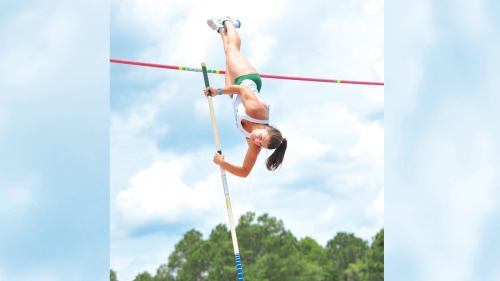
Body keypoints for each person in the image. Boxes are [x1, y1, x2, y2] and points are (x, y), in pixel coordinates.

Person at [203, 16, 287, 178]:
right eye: (261, 139)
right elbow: (243, 89)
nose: (256, 142)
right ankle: (229, 22)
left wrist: (222, 163)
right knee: (231, 51)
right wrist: (217, 91)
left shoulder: (255, 145)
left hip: (234, 94)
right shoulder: (257, 111)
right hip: (245, 80)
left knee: (228, 59)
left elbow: (244, 172)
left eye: (260, 144)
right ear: (265, 128)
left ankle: (221, 30)